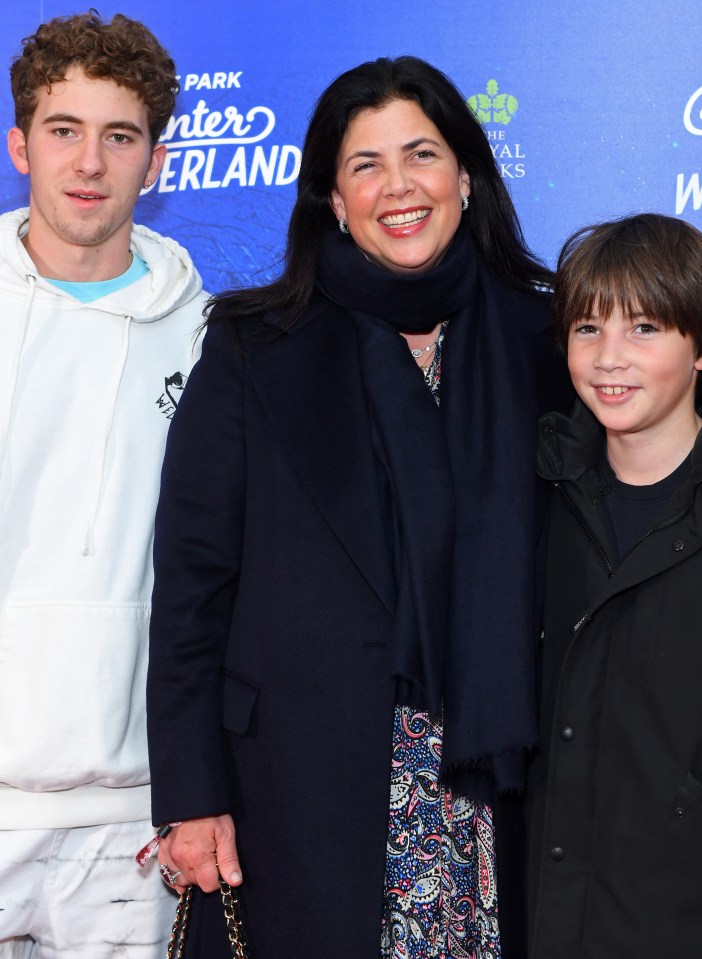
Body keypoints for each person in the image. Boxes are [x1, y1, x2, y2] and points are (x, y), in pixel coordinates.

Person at [147, 55, 571, 959]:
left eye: (420, 154)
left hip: (502, 790)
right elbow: (190, 586)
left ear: (465, 173)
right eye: (365, 165)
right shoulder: (253, 347)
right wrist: (190, 792)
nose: (398, 186)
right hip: (296, 788)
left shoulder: (552, 345)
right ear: (333, 201)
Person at [0, 11, 208, 958]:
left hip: (131, 814)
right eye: (63, 130)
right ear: (19, 146)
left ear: (154, 161)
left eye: (118, 136)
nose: (89, 162)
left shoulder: (212, 338)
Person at [526, 214, 702, 959]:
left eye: (645, 327)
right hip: (554, 911)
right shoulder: (542, 491)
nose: (608, 358)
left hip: (701, 917)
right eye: (587, 328)